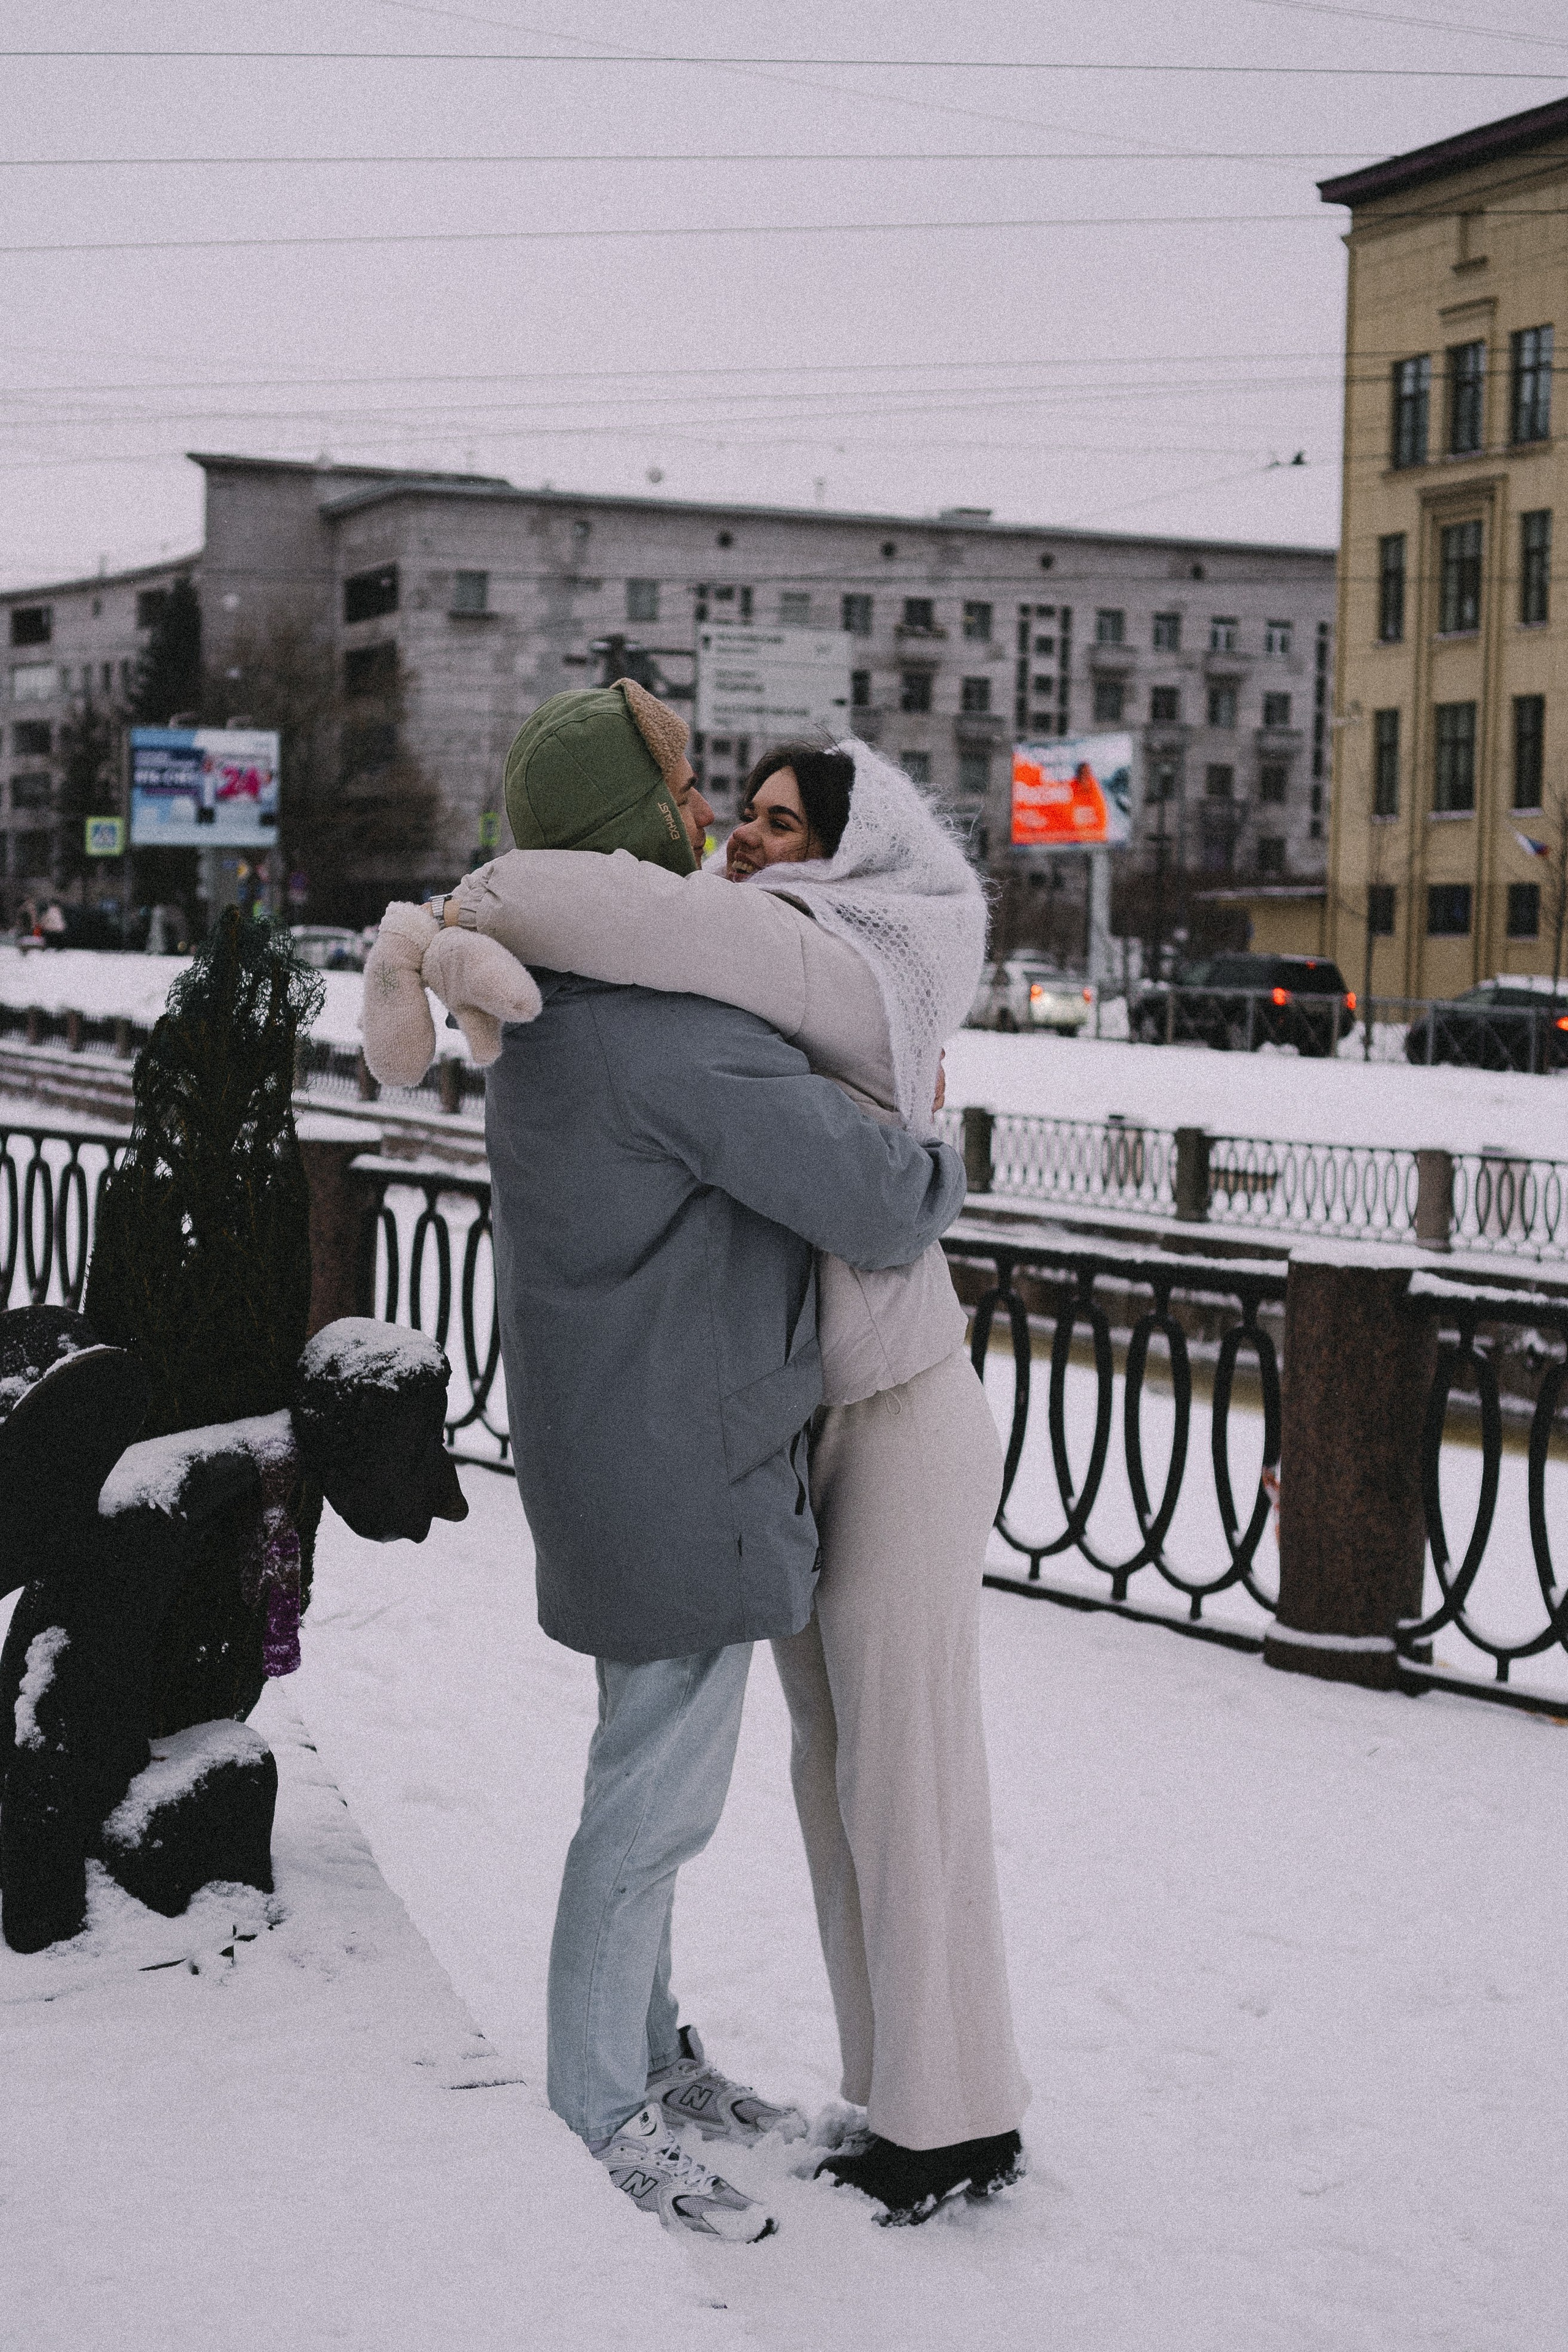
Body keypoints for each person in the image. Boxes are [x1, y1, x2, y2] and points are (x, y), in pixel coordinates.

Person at [363, 681, 969, 2244]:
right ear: (633, 834)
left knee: (644, 1776)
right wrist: (936, 1129)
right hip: (682, 1462)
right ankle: (599, 2106)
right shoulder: (677, 1043)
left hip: (613, 1449)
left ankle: (650, 2055)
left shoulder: (554, 1014)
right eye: (686, 797)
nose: (705, 821)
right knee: (647, 1814)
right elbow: (888, 1203)